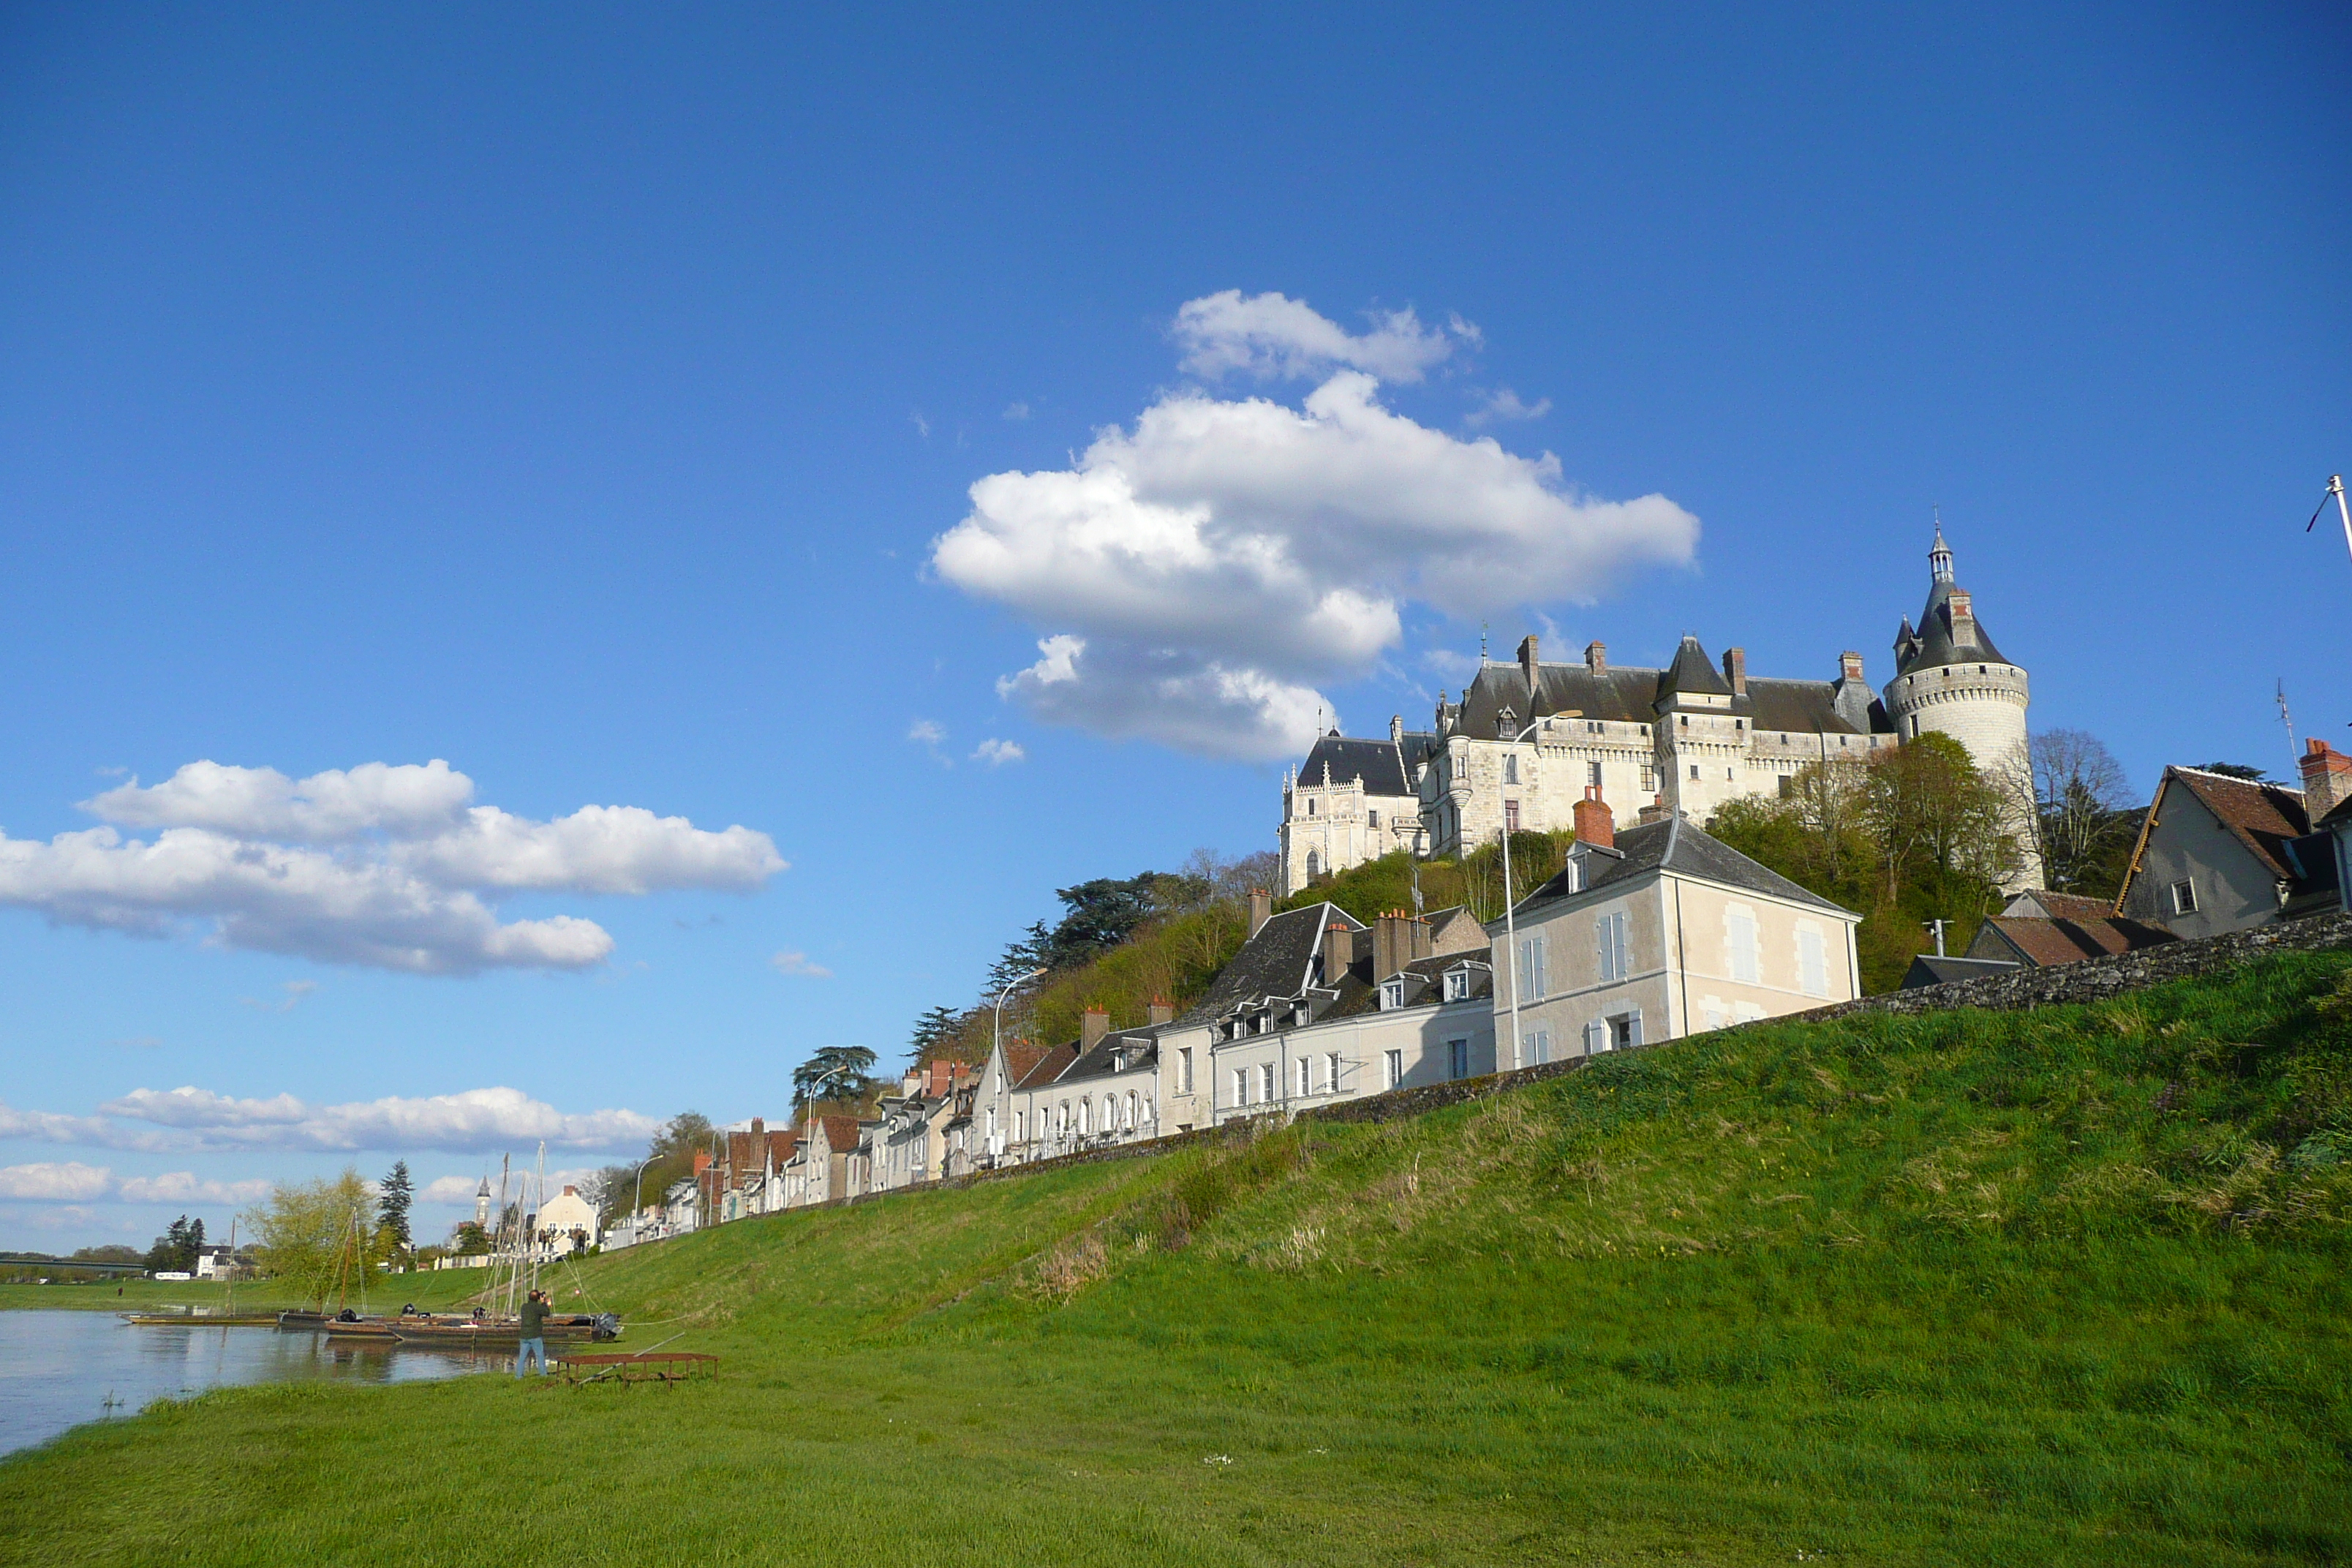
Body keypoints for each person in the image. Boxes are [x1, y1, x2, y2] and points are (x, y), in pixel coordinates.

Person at [515, 1288, 551, 1378]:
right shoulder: (537, 1307)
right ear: (538, 1298)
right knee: (539, 1355)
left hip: (524, 1335)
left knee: (522, 1357)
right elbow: (546, 1313)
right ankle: (543, 1375)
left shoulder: (524, 1307)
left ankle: (519, 1376)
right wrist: (544, 1303)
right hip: (535, 1335)